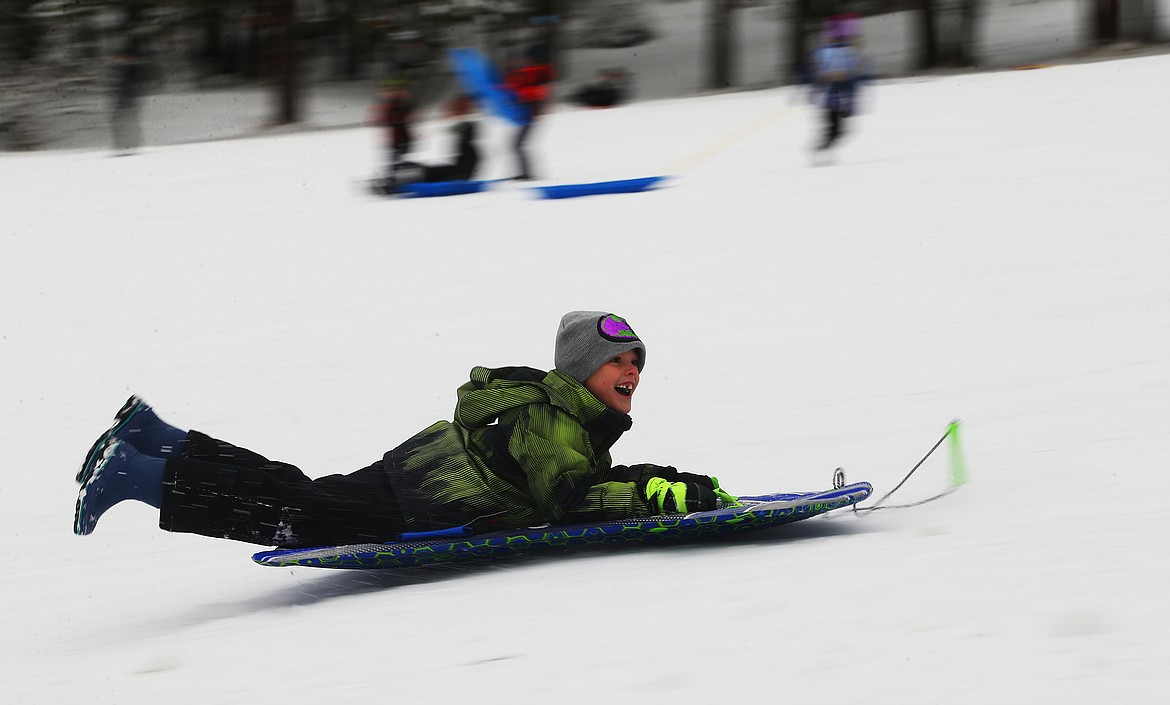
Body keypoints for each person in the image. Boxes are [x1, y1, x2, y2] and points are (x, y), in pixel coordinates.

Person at [73, 312, 738, 548]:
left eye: (636, 363)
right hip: (431, 497)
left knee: (299, 489)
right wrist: (647, 495)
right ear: (583, 368)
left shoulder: (565, 414)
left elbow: (575, 480)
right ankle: (137, 474)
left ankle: (155, 435)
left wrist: (661, 483)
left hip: (425, 471)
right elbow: (568, 498)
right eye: (618, 361)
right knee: (296, 514)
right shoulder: (552, 417)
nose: (631, 373)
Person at [377, 93, 482, 195]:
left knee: (421, 170)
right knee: (421, 169)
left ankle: (392, 182)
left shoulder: (468, 149)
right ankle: (392, 181)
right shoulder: (470, 150)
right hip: (455, 172)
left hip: (455, 173)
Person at [805, 23, 870, 159]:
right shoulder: (841, 54)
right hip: (833, 101)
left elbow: (850, 78)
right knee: (836, 130)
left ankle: (821, 150)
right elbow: (848, 77)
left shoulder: (832, 53)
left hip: (835, 100)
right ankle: (820, 151)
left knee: (836, 129)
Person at [501, 47, 555, 180]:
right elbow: (510, 90)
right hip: (520, 115)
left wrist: (519, 94)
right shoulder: (515, 74)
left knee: (517, 145)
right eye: (511, 60)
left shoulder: (533, 73)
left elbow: (540, 92)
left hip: (529, 115)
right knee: (516, 145)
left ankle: (527, 174)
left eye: (515, 60)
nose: (513, 62)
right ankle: (525, 173)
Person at [369, 79, 416, 172]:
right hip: (398, 139)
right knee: (397, 158)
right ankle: (395, 172)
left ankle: (396, 172)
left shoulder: (398, 104)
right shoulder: (395, 104)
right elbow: (388, 119)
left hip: (400, 138)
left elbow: (388, 119)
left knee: (397, 158)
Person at [110, 50, 144, 155]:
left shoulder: (127, 70)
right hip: (126, 100)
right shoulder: (126, 70)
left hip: (126, 100)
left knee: (125, 121)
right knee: (126, 121)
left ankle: (126, 144)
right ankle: (126, 144)